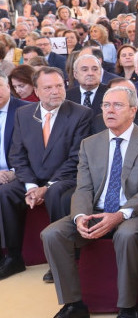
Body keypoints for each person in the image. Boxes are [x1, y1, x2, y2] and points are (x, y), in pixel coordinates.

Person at [37, 86, 138, 318]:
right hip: (97, 208)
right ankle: (73, 306)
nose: (110, 110)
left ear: (133, 110)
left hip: (137, 210)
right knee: (52, 234)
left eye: (117, 105)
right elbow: (83, 187)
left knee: (126, 234)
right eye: (106, 105)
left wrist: (119, 215)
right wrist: (79, 216)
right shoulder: (90, 144)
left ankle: (127, 307)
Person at [0, 67, 94, 281]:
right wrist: (31, 186)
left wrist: (47, 186)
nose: (55, 92)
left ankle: (60, 260)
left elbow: (76, 158)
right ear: (37, 90)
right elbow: (17, 154)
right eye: (48, 87)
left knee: (56, 193)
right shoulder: (24, 114)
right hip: (33, 179)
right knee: (5, 193)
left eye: (59, 86)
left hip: (65, 178)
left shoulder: (80, 114)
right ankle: (13, 257)